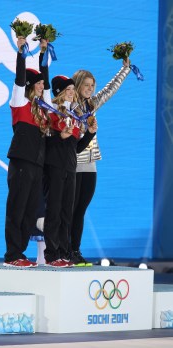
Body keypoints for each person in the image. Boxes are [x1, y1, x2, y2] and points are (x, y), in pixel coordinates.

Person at [70, 58, 131, 266]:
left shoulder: (92, 105)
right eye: (86, 85)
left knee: (81, 210)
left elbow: (110, 89)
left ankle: (75, 251)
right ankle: (64, 250)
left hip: (91, 164)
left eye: (91, 85)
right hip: (73, 163)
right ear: (77, 85)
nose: (90, 88)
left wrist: (125, 69)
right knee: (70, 209)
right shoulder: (69, 106)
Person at [3, 37, 52, 268]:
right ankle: (12, 254)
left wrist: (43, 53)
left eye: (43, 83)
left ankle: (20, 254)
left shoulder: (43, 110)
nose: (43, 86)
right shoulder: (19, 102)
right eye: (39, 83)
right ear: (31, 85)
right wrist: (21, 50)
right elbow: (19, 79)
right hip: (21, 161)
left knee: (31, 212)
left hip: (37, 165)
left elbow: (48, 85)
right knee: (17, 208)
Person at [43, 75, 98, 267]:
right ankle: (51, 254)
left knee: (67, 212)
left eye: (73, 89)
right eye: (68, 89)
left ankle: (65, 254)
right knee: (54, 212)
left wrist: (90, 133)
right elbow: (46, 143)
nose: (72, 92)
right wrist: (60, 137)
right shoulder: (51, 113)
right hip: (54, 168)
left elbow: (76, 147)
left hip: (70, 168)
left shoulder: (74, 116)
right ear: (58, 92)